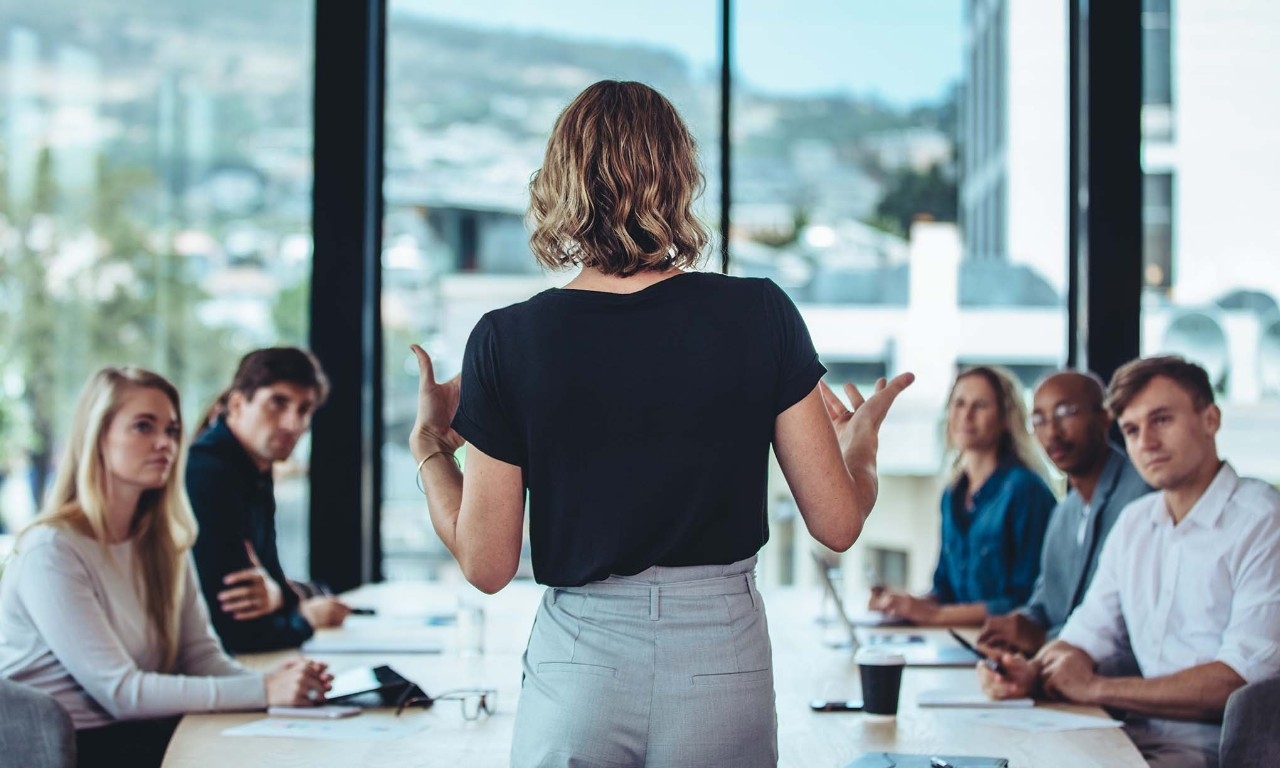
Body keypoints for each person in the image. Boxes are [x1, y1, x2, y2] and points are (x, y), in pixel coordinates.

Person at [409, 80, 913, 767]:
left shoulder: (507, 339)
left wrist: (431, 449)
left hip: (580, 662)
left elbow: (488, 563)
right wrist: (861, 450)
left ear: (559, 183)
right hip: (721, 652)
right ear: (678, 178)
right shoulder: (760, 313)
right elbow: (837, 523)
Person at [0, 367, 330, 768]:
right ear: (98, 436)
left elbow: (203, 659)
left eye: (173, 431)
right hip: (75, 751)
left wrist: (283, 681)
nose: (164, 444)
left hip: (144, 734)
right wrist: (264, 689)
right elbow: (121, 692)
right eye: (143, 427)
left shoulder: (163, 542)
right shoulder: (51, 550)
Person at [979, 356, 1280, 768]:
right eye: (1133, 430)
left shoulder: (1262, 520)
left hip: (1214, 754)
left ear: (1210, 419)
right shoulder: (1136, 522)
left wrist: (1096, 688)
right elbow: (1087, 633)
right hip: (1122, 738)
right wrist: (1032, 671)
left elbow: (1239, 680)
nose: (1146, 443)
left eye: (1162, 420)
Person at [187, 347, 352, 654]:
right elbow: (237, 629)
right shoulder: (208, 473)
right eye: (278, 403)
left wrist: (281, 596)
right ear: (237, 403)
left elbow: (271, 581)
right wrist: (305, 617)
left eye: (304, 409)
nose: (293, 424)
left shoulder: (254, 470)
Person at [977, 371, 1151, 655]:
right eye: (1039, 420)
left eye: (1066, 413)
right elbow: (1043, 604)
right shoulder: (1064, 513)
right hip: (1056, 672)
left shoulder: (1143, 497)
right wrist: (1019, 625)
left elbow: (1129, 624)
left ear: (1105, 417)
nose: (1052, 432)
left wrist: (1043, 639)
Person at [868, 365, 1057, 626]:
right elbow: (943, 590)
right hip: (956, 641)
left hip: (1005, 649)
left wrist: (935, 616)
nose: (966, 415)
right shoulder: (952, 494)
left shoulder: (1027, 490)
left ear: (1005, 418)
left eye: (980, 405)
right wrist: (905, 604)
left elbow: (1027, 601)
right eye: (959, 403)